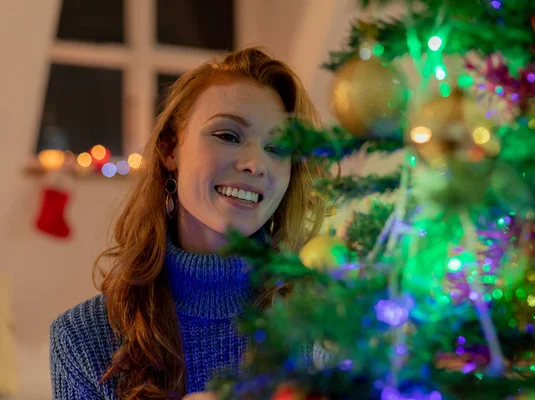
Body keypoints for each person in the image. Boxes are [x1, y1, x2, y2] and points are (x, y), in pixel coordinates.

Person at [49, 47, 327, 399]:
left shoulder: (324, 323)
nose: (255, 164)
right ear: (169, 150)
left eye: (277, 148)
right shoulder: (82, 340)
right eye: (228, 136)